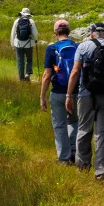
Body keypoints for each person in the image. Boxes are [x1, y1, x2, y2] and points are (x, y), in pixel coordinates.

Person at [65, 23, 104, 180]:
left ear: (92, 34)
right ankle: (102, 173)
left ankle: (83, 166)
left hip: (86, 94)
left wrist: (68, 95)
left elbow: (75, 71)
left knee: (84, 129)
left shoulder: (83, 47)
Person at [40, 20, 79, 164]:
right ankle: (74, 150)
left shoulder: (51, 49)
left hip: (58, 92)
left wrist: (42, 96)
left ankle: (63, 158)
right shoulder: (77, 46)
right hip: (75, 91)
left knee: (59, 124)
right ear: (68, 31)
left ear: (55, 32)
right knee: (74, 121)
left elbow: (47, 75)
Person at [10, 8, 38, 82]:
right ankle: (27, 74)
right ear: (29, 14)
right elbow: (35, 34)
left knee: (20, 61)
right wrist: (35, 40)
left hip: (18, 44)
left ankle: (21, 79)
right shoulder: (31, 21)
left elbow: (12, 34)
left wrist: (12, 44)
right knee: (29, 59)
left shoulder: (16, 21)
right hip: (29, 44)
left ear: (21, 13)